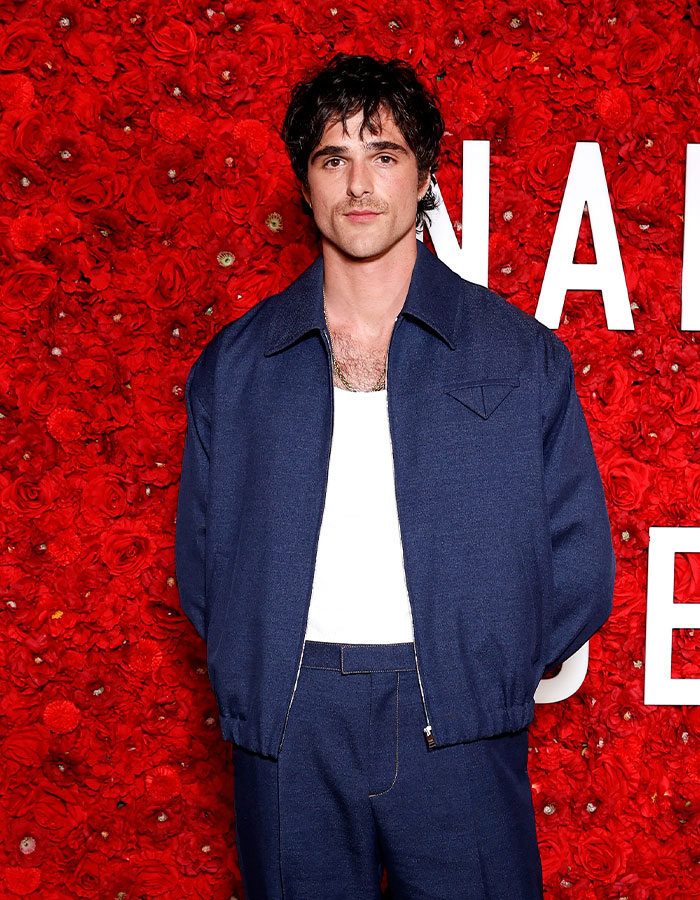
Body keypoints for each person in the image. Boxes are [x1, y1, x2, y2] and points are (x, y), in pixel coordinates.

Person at [175, 52, 616, 900]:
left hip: (459, 716)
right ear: (305, 185)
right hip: (288, 720)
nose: (359, 184)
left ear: (425, 177)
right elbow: (204, 564)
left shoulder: (520, 356)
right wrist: (260, 670)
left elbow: (579, 561)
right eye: (332, 158)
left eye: (383, 154)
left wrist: (482, 672)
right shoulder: (236, 366)